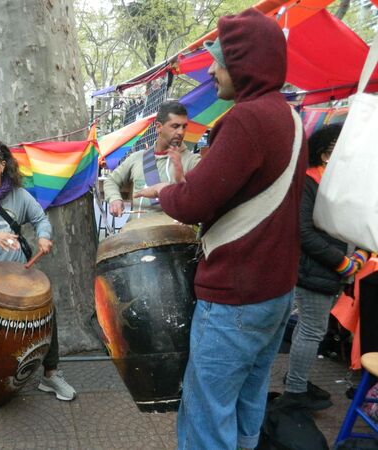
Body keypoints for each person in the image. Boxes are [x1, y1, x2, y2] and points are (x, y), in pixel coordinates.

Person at [135, 9, 307, 450]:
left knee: (207, 412)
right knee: (248, 398)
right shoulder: (288, 117)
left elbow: (193, 204)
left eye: (220, 59)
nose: (211, 69)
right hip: (275, 290)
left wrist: (163, 194)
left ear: (245, 63)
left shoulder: (246, 119)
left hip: (236, 294)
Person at [0, 138, 76, 401]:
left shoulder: (19, 195)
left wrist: (44, 235)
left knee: (47, 310)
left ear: (3, 165)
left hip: (16, 271)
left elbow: (40, 219)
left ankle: (50, 375)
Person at [280, 123, 369, 411]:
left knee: (310, 329)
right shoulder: (308, 182)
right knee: (312, 330)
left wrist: (360, 256)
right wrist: (344, 263)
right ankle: (295, 390)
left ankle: (296, 378)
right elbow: (302, 232)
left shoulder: (336, 184)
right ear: (324, 154)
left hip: (331, 271)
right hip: (315, 271)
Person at [104, 99, 199, 220]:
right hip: (136, 233)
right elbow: (111, 180)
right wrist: (115, 199)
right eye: (175, 126)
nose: (181, 132)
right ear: (159, 127)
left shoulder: (193, 161)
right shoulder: (136, 158)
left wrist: (181, 179)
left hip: (174, 236)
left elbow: (199, 198)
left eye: (184, 127)